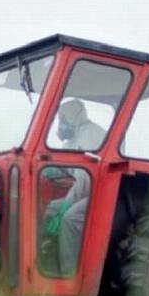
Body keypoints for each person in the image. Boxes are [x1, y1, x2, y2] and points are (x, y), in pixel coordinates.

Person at [44, 99, 106, 275]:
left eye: (63, 119)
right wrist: (47, 170)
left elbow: (85, 179)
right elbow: (64, 163)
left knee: (69, 218)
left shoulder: (92, 136)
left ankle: (69, 274)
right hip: (81, 193)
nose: (60, 124)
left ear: (74, 116)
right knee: (45, 209)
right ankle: (45, 260)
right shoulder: (73, 139)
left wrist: (66, 206)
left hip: (99, 193)